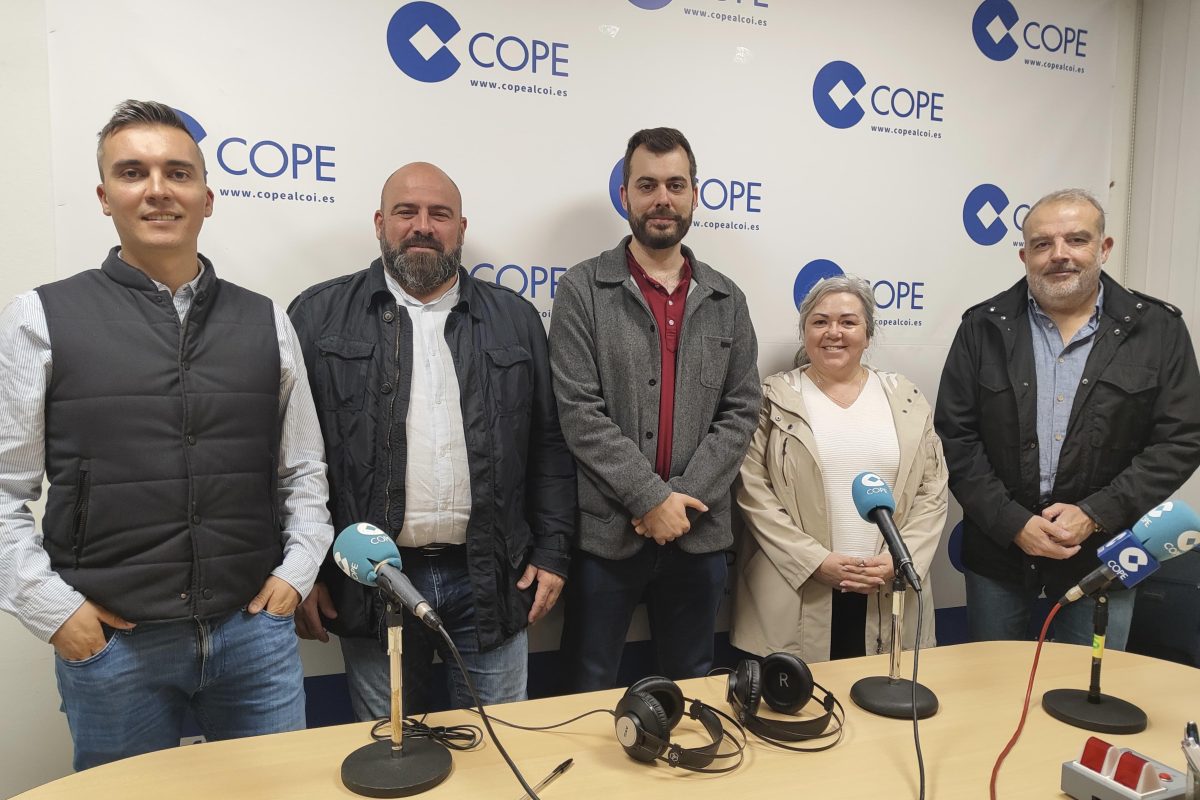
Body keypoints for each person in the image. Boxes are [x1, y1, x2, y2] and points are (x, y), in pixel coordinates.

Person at [0, 100, 333, 770]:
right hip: (116, 649)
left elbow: (303, 470)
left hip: (254, 637)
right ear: (104, 197)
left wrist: (295, 576)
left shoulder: (265, 321)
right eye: (133, 172)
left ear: (207, 198)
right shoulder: (41, 318)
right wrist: (53, 611)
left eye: (177, 173)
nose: (157, 189)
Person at [288, 162, 575, 719]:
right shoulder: (319, 317)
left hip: (491, 573)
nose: (423, 226)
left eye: (439, 214)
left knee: (498, 739)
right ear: (380, 223)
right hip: (371, 580)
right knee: (392, 745)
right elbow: (293, 460)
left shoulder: (514, 318)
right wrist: (309, 572)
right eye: (406, 212)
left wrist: (554, 552)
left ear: (461, 228)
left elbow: (549, 445)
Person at [935, 188, 1200, 649]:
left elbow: (1180, 440)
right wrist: (1013, 522)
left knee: (1086, 687)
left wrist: (1096, 514)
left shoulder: (1158, 329)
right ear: (1024, 256)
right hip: (1000, 553)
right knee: (993, 683)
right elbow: (955, 438)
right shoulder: (983, 327)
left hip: (1105, 555)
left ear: (1104, 247)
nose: (1059, 254)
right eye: (1042, 244)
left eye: (1077, 239)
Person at [549, 127, 760, 692]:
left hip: (698, 531)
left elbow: (741, 410)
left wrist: (679, 503)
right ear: (625, 195)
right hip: (607, 536)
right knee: (587, 686)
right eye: (647, 185)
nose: (662, 199)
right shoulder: (582, 290)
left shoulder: (727, 298)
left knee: (691, 688)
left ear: (695, 195)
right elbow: (580, 412)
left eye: (675, 185)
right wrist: (650, 500)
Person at [730, 276, 947, 662]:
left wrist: (900, 560)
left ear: (868, 333)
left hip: (885, 588)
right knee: (799, 699)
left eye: (848, 322)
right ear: (804, 332)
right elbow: (753, 491)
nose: (834, 332)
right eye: (820, 322)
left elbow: (932, 490)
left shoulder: (905, 398)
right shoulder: (773, 399)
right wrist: (814, 561)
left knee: (881, 695)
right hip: (794, 593)